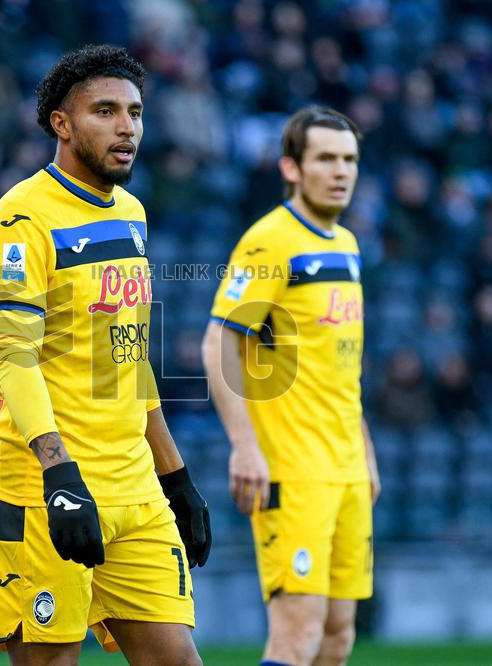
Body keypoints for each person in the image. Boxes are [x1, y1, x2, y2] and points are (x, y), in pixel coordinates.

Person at [0, 44, 211, 666]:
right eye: (104, 111)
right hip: (41, 488)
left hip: (133, 486)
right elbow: (13, 358)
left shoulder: (131, 214)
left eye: (134, 111)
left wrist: (175, 474)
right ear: (62, 123)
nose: (126, 126)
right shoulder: (21, 217)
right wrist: (57, 472)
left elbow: (129, 358)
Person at [202, 107, 380, 666]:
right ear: (292, 168)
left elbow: (341, 368)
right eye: (325, 158)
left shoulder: (347, 246)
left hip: (347, 466)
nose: (340, 171)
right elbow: (218, 343)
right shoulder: (270, 241)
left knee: (338, 636)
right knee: (297, 635)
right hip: (294, 470)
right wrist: (245, 445)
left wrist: (367, 453)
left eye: (349, 159)